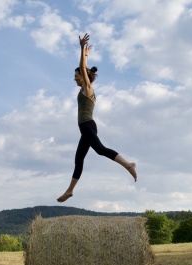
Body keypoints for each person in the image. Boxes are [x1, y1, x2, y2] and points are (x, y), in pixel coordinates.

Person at [57, 33, 137, 203]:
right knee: (78, 159)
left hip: (87, 125)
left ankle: (128, 165)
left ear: (84, 76)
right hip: (86, 127)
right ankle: (70, 190)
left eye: (76, 76)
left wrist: (83, 52)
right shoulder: (85, 90)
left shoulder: (87, 88)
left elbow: (82, 67)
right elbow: (82, 68)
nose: (74, 78)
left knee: (100, 149)